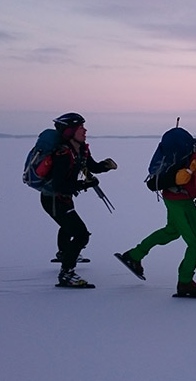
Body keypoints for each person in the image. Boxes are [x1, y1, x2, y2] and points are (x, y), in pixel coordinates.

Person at [117, 116, 196, 297]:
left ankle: (134, 256)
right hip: (179, 199)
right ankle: (185, 282)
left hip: (177, 195)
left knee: (172, 231)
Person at [42, 113, 117, 288]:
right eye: (80, 127)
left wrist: (105, 166)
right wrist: (84, 184)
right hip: (53, 199)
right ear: (69, 131)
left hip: (63, 199)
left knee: (69, 227)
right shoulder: (62, 153)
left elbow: (91, 166)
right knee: (81, 234)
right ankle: (66, 273)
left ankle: (64, 254)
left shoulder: (81, 148)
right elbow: (59, 185)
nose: (85, 130)